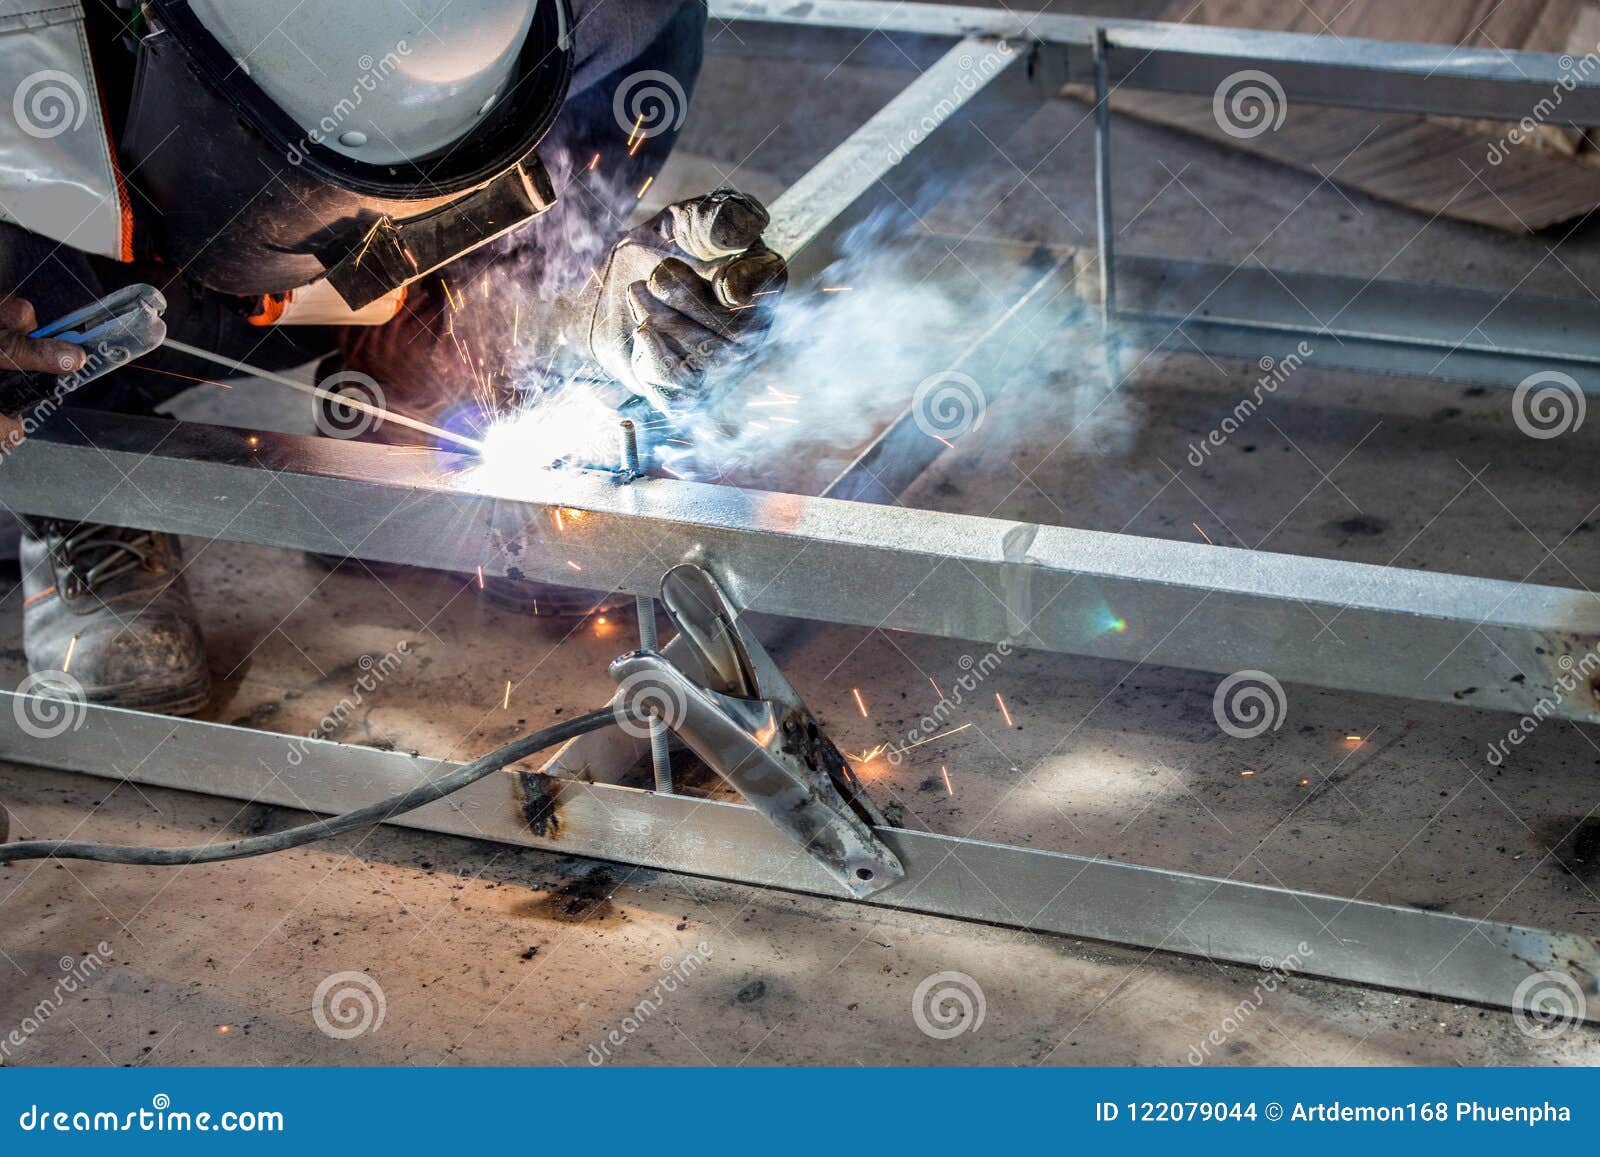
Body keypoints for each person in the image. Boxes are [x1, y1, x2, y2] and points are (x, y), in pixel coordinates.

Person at [0, 0, 785, 714]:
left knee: (629, 72)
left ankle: (431, 384)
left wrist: (559, 310)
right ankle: (86, 502)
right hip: (96, 277)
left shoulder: (615, 16)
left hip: (398, 241)